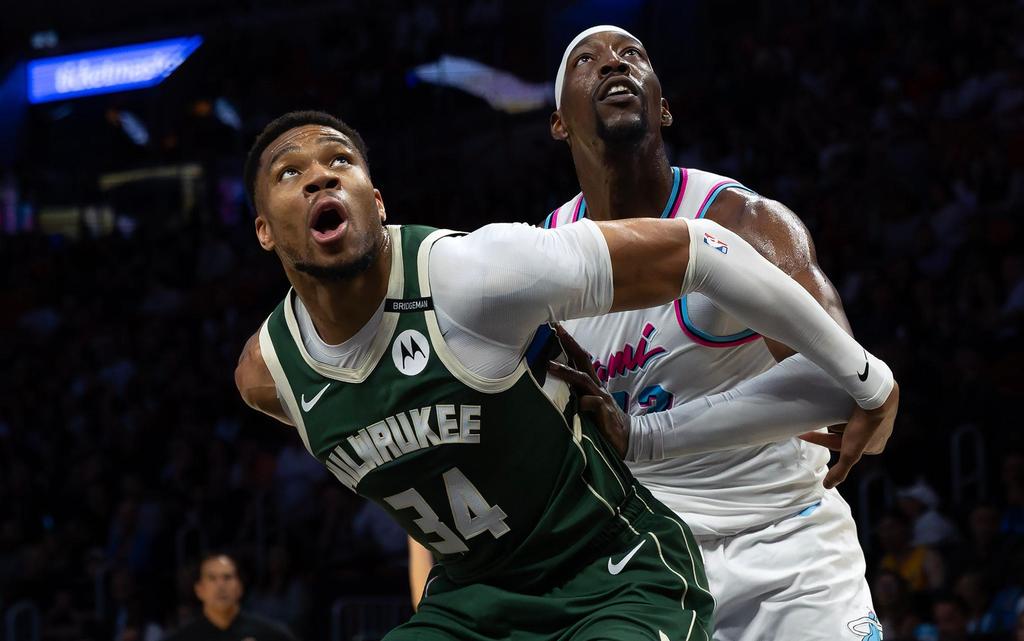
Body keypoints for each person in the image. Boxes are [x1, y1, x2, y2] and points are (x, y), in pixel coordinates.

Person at [234, 110, 898, 639]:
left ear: (377, 201)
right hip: (492, 592)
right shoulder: (270, 375)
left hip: (666, 556)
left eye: (339, 161)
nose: (321, 177)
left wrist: (866, 376)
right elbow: (426, 456)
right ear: (263, 230)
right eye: (292, 172)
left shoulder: (479, 272)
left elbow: (707, 252)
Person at [430, 24, 900, 641]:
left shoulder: (740, 220)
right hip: (641, 567)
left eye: (633, 56)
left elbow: (840, 382)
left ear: (665, 106)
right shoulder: (536, 260)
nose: (614, 65)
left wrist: (642, 437)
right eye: (586, 61)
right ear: (558, 124)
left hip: (787, 546)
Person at [163, 553, 296, 641]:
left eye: (227, 577)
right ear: (200, 590)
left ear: (239, 587)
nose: (221, 586)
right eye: (212, 578)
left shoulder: (271, 635)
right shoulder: (183, 638)